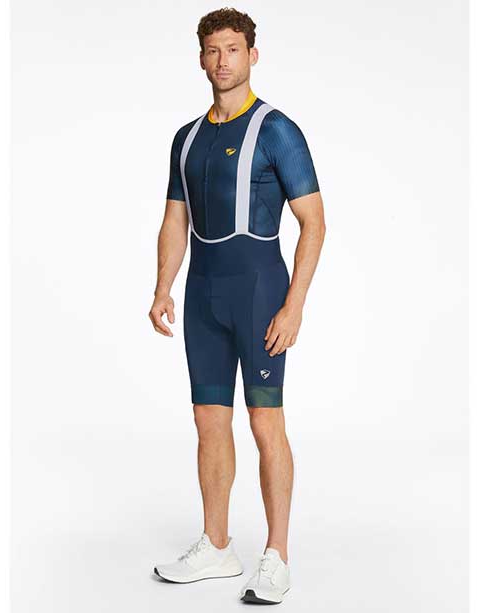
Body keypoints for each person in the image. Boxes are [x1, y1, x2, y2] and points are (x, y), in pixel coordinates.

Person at [149, 7, 326, 604]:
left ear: (253, 54)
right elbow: (175, 219)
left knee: (264, 420)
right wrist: (162, 287)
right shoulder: (187, 138)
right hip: (203, 296)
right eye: (212, 50)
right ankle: (218, 546)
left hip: (259, 294)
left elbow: (314, 222)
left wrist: (294, 305)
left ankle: (277, 555)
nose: (221, 60)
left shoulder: (277, 130)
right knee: (208, 421)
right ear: (200, 58)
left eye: (232, 49)